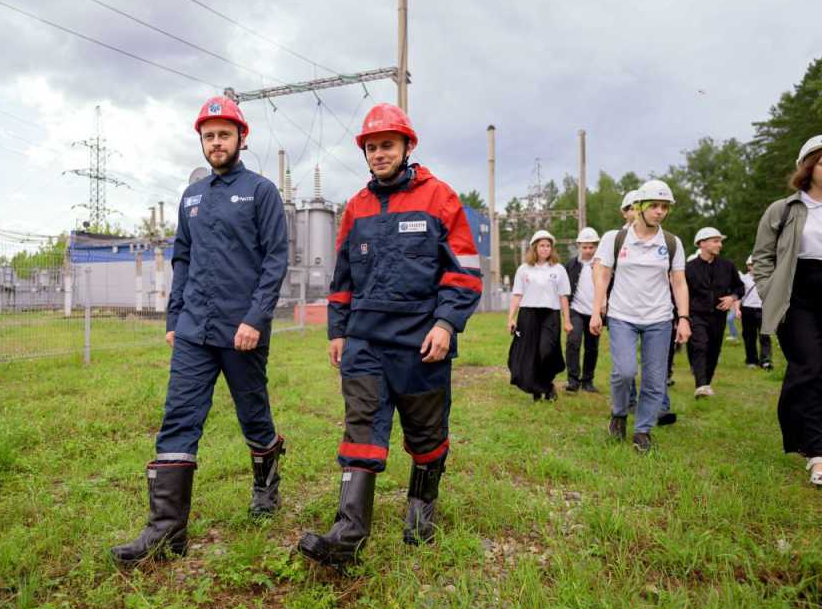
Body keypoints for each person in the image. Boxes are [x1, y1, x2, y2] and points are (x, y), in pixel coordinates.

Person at [298, 103, 482, 567]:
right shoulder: (356, 208)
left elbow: (465, 274)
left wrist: (445, 324)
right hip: (364, 342)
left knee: (426, 435)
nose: (379, 153)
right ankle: (348, 533)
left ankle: (422, 510)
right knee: (360, 428)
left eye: (387, 145)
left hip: (422, 345)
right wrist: (337, 332)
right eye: (372, 146)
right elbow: (341, 279)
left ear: (407, 146)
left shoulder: (440, 197)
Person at [112, 97, 289, 565]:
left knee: (253, 415)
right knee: (178, 417)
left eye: (224, 134)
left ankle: (266, 485)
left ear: (240, 138)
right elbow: (183, 260)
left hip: (241, 331)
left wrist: (255, 319)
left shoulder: (261, 192)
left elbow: (275, 260)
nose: (216, 142)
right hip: (194, 328)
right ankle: (167, 531)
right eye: (209, 135)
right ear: (202, 141)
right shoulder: (190, 198)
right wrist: (175, 318)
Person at [590, 180, 691, 453]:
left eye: (665, 207)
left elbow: (679, 282)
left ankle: (643, 430)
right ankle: (619, 414)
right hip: (622, 315)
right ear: (639, 208)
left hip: (659, 319)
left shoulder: (671, 243)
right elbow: (602, 275)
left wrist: (683, 318)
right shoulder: (616, 239)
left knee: (655, 379)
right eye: (654, 206)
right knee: (624, 372)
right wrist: (597, 309)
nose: (660, 212)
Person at [752, 134, 822, 487]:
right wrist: (769, 293)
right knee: (809, 365)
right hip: (797, 297)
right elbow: (762, 257)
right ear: (808, 167)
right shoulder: (783, 210)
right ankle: (815, 451)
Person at [507, 230, 572, 401]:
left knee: (547, 351)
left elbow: (563, 296)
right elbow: (517, 295)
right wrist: (511, 318)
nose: (545, 249)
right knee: (531, 354)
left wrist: (568, 321)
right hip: (528, 314)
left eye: (548, 246)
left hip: (550, 314)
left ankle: (547, 383)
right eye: (542, 246)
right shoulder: (523, 269)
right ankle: (538, 389)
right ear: (535, 248)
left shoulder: (558, 269)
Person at [684, 227, 744, 399]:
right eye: (716, 241)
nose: (720, 244)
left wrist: (732, 298)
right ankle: (701, 385)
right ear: (702, 243)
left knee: (713, 349)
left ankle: (706, 383)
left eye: (720, 241)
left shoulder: (728, 266)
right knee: (699, 345)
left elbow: (740, 287)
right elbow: (680, 292)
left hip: (718, 316)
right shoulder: (689, 268)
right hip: (696, 314)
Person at [565, 227, 602, 393]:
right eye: (584, 247)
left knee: (592, 347)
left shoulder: (603, 265)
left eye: (591, 247)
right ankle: (573, 380)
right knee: (573, 342)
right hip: (576, 310)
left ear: (596, 246)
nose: (588, 250)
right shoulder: (571, 265)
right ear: (579, 246)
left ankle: (588, 380)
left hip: (595, 312)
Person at [738, 256, 772, 370]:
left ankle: (766, 360)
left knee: (765, 336)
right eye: (752, 265)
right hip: (747, 309)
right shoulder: (743, 279)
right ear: (748, 266)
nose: (755, 267)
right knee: (749, 336)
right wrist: (737, 309)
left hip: (763, 309)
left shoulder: (766, 278)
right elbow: (739, 295)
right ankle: (751, 360)